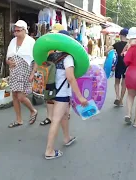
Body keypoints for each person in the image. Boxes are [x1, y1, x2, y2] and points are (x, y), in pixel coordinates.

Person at [44, 30, 88, 160]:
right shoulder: (68, 58)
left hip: (50, 91)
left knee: (64, 115)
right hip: (61, 93)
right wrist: (80, 97)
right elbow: (71, 78)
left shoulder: (51, 56)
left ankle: (66, 138)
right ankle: (49, 150)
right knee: (56, 119)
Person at [6, 20, 38, 128]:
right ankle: (19, 120)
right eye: (15, 31)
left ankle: (33, 110)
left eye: (18, 31)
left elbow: (36, 59)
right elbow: (8, 57)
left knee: (21, 97)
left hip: (25, 72)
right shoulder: (12, 41)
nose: (16, 33)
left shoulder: (31, 42)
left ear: (24, 30)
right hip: (14, 72)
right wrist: (8, 62)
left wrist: (33, 73)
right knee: (14, 95)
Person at [39, 23, 66, 126]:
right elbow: (41, 59)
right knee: (49, 97)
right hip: (50, 77)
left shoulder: (67, 53)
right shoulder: (49, 48)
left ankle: (62, 115)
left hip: (61, 79)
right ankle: (50, 117)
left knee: (61, 98)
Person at [105, 28, 129, 106]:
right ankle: (121, 100)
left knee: (117, 82)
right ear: (127, 35)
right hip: (126, 65)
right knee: (124, 83)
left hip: (118, 64)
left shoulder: (116, 44)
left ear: (120, 35)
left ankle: (117, 97)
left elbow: (106, 51)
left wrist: (107, 54)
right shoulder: (129, 45)